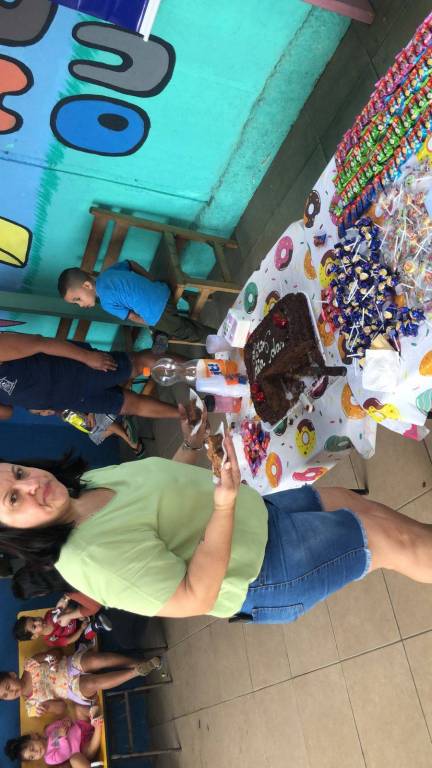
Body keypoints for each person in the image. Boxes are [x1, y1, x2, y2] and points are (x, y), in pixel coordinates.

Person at [0, 404, 432, 624]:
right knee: (384, 539)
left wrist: (190, 444)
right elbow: (195, 597)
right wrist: (223, 506)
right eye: (14, 499)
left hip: (260, 517)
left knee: (364, 510)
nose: (31, 484)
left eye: (18, 473)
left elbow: (160, 493)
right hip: (263, 570)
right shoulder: (88, 558)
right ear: (11, 533)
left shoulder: (82, 486)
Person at [0, 331, 179, 422]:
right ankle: (186, 415)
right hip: (68, 399)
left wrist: (87, 357)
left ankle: (195, 369)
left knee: (136, 365)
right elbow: (7, 412)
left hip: (73, 370)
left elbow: (41, 343)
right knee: (131, 406)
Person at [58, 263, 214, 344]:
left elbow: (133, 317)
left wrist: (152, 324)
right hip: (162, 289)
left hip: (158, 312)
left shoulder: (106, 303)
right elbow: (131, 264)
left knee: (181, 330)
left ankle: (217, 338)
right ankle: (160, 332)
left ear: (87, 285)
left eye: (77, 299)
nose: (80, 305)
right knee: (157, 321)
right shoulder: (108, 273)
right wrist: (150, 279)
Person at [0, 647, 161, 717]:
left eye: (8, 686)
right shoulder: (32, 706)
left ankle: (136, 662)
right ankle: (136, 672)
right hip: (70, 690)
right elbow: (62, 707)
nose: (11, 692)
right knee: (91, 683)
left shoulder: (30, 664)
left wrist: (51, 658)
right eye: (6, 695)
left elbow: (57, 652)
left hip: (69, 665)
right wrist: (48, 707)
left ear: (12, 675)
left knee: (95, 660)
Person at [5, 707, 103, 766]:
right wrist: (61, 737)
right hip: (82, 748)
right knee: (75, 759)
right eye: (32, 757)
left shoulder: (49, 730)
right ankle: (98, 725)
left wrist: (67, 722)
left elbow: (64, 721)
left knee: (78, 709)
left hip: (81, 728)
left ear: (33, 736)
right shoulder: (49, 758)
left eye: (32, 748)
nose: (36, 753)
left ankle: (95, 714)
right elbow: (66, 753)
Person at [29, 410, 146, 459]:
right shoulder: (61, 413)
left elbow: (86, 399)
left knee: (100, 423)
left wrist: (91, 412)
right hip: (95, 419)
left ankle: (131, 441)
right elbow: (83, 424)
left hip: (98, 408)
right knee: (94, 436)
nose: (44, 413)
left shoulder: (62, 404)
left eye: (41, 410)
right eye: (40, 414)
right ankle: (125, 428)